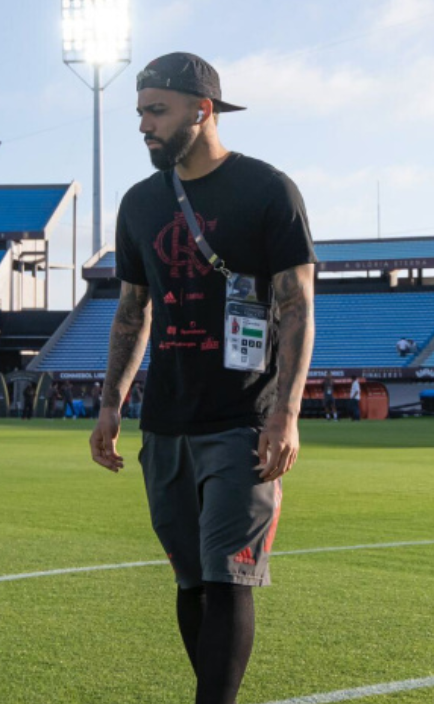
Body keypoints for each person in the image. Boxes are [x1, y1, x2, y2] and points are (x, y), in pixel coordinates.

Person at [89, 52, 316, 704]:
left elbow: (296, 304)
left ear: (202, 110)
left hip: (243, 419)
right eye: (140, 113)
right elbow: (132, 312)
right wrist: (111, 404)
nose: (144, 126)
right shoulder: (139, 203)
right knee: (191, 581)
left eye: (157, 111)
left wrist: (285, 412)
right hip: (166, 422)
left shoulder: (267, 190)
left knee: (227, 578)